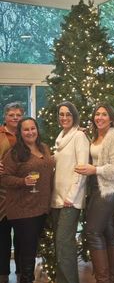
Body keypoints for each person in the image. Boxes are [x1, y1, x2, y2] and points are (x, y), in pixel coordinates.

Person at [75, 102, 114, 283]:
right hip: (98, 187)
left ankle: (103, 280)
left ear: (111, 118)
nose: (99, 117)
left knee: (92, 232)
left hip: (110, 189)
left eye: (104, 114)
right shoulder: (97, 136)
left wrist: (95, 170)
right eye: (97, 114)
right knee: (108, 232)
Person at [1, 117, 54, 283]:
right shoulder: (15, 153)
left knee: (31, 248)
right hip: (23, 209)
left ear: (37, 130)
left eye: (33, 128)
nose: (30, 132)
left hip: (42, 207)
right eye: (26, 129)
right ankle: (26, 279)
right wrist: (23, 181)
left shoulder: (44, 148)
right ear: (20, 132)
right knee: (28, 252)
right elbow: (4, 177)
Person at [51, 101, 90, 283]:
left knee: (64, 243)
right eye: (61, 114)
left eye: (68, 114)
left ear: (74, 116)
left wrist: (71, 196)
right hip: (56, 199)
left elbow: (81, 170)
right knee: (60, 244)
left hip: (70, 200)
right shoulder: (60, 138)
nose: (64, 117)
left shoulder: (79, 137)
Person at [0, 102, 24, 283]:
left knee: (22, 237)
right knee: (2, 238)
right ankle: (3, 274)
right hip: (2, 194)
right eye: (12, 114)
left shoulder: (26, 135)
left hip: (22, 193)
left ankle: (23, 273)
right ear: (5, 117)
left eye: (18, 115)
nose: (15, 117)